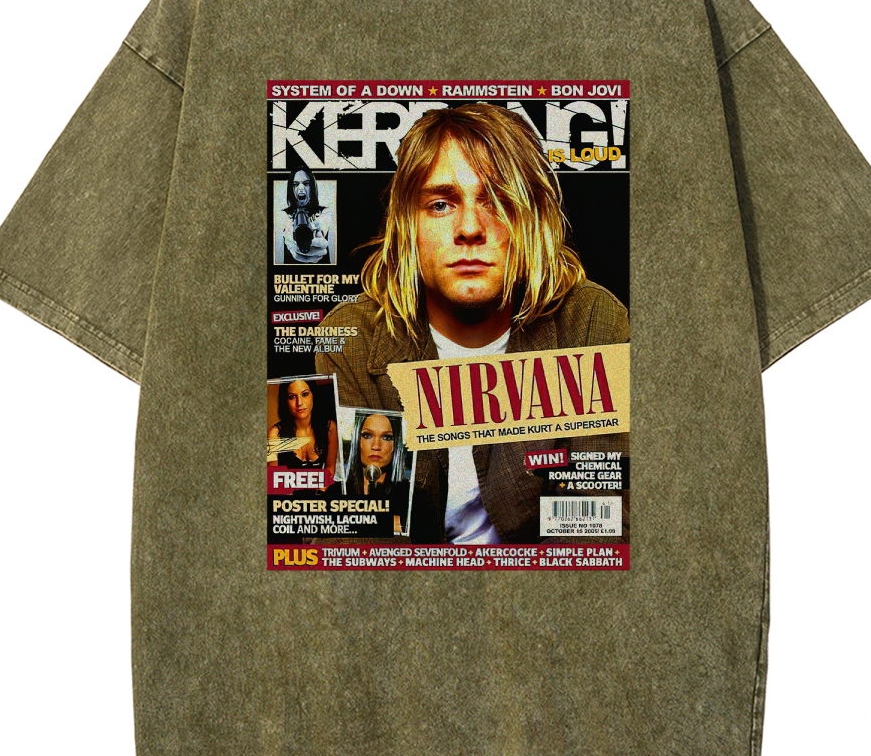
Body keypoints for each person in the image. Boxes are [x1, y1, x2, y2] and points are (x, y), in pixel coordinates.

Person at [316, 103, 629, 543]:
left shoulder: (593, 322)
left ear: (533, 218)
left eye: (497, 201)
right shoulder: (353, 337)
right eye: (441, 204)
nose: (469, 228)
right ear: (408, 225)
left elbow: (602, 526)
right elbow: (355, 537)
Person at [345, 412, 411, 536]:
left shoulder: (411, 496)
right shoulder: (336, 491)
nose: (376, 446)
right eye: (367, 435)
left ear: (396, 444)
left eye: (387, 437)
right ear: (357, 439)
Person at [267, 377, 339, 474]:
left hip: (320, 484)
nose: (299, 403)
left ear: (313, 395)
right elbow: (273, 476)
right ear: (285, 400)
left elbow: (330, 470)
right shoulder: (275, 434)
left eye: (305, 394)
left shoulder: (330, 428)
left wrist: (320, 486)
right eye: (292, 397)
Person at [279, 162, 333, 263]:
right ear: (291, 188)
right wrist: (290, 238)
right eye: (295, 184)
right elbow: (285, 228)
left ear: (312, 187)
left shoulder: (325, 212)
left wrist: (318, 232)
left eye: (306, 183)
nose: (300, 188)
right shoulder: (283, 215)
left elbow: (324, 222)